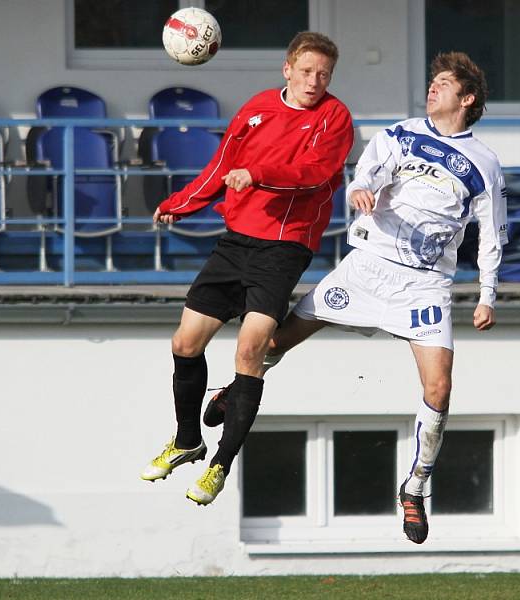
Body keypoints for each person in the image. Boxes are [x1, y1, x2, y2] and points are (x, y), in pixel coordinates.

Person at [204, 51, 508, 544]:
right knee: (276, 344)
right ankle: (233, 390)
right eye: (431, 81)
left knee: (440, 389)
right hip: (367, 268)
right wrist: (362, 191)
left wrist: (487, 294)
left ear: (467, 98)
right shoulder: (399, 134)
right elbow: (361, 176)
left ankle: (414, 487)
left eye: (444, 84)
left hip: (423, 285)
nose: (432, 89)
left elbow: (493, 235)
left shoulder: (485, 163)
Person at [140, 31, 354, 506]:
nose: (314, 81)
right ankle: (186, 440)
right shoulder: (257, 107)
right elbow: (222, 166)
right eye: (306, 72)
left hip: (284, 248)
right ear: (287, 69)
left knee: (250, 350)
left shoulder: (334, 118)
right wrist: (181, 204)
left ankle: (220, 464)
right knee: (185, 342)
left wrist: (258, 175)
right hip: (236, 242)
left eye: (323, 74)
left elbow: (315, 173)